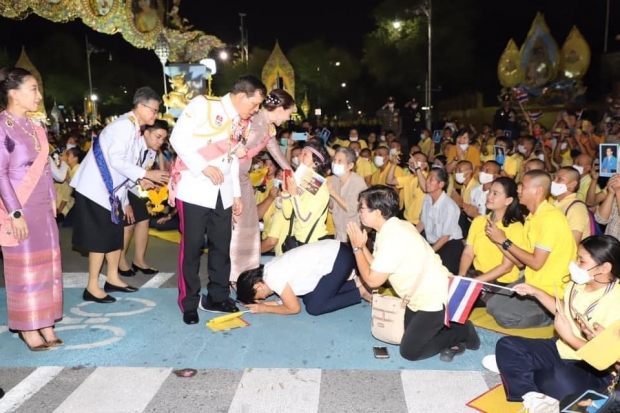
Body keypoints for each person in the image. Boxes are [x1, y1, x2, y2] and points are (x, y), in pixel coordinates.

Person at [169, 75, 265, 324]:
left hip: (223, 193)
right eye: (254, 104)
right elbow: (177, 138)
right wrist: (202, 166)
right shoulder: (205, 105)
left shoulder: (240, 122)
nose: (255, 110)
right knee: (191, 250)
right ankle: (189, 302)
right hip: (194, 190)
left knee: (221, 248)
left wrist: (235, 194)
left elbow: (231, 158)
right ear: (242, 96)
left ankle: (218, 296)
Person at [347, 186, 480, 362]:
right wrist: (363, 246)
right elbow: (377, 267)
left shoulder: (393, 236)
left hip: (434, 298)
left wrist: (357, 248)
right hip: (416, 297)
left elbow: (373, 281)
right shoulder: (391, 227)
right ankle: (446, 326)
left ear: (377, 212)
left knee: (410, 351)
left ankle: (459, 331)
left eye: (362, 208)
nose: (359, 212)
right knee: (405, 335)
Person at [483, 235, 620, 402]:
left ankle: (519, 372)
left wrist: (569, 336)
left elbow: (606, 357)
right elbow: (564, 308)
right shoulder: (578, 283)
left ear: (604, 268)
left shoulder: (616, 301)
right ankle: (531, 396)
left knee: (557, 381)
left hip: (594, 366)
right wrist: (537, 292)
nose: (575, 264)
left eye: (581, 261)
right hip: (561, 348)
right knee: (507, 345)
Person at [71, 87, 170, 304]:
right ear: (141, 107)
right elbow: (116, 161)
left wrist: (138, 182)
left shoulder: (133, 128)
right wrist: (145, 173)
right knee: (100, 239)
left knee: (114, 236)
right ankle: (92, 286)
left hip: (110, 192)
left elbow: (123, 169)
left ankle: (113, 278)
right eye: (153, 110)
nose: (155, 115)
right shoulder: (124, 127)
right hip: (95, 190)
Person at [0, 66, 63, 351]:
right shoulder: (2, 126)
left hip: (42, 207)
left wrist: (52, 198)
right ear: (13, 94)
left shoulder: (36, 127)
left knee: (47, 265)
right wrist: (15, 213)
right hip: (18, 208)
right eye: (33, 89)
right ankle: (28, 327)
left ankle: (46, 321)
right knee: (26, 268)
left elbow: (46, 170)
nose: (39, 95)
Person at [486, 170, 577, 328]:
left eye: (523, 186)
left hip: (551, 288)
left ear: (538, 190)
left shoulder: (549, 219)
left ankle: (551, 315)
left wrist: (505, 241)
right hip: (532, 279)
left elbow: (536, 263)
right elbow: (521, 263)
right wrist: (499, 241)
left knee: (504, 317)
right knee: (492, 306)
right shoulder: (532, 217)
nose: (518, 190)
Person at [228, 89, 293, 283]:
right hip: (233, 178)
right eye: (289, 113)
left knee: (249, 226)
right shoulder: (256, 123)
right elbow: (232, 153)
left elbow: (274, 150)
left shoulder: (266, 126)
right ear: (280, 110)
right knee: (239, 227)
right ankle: (235, 275)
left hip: (243, 178)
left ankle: (246, 272)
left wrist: (290, 171)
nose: (289, 118)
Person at [236, 240, 368, 315]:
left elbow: (293, 308)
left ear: (258, 286)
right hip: (338, 252)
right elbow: (286, 298)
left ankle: (360, 292)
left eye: (259, 296)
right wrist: (261, 304)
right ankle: (357, 283)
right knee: (309, 297)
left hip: (339, 259)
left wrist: (265, 308)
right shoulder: (269, 269)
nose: (264, 297)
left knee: (315, 307)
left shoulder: (273, 278)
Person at [118, 120, 169, 276]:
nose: (160, 142)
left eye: (163, 139)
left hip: (133, 187)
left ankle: (139, 260)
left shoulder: (152, 151)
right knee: (129, 223)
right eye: (157, 137)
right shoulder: (133, 146)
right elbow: (122, 173)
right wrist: (125, 202)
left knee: (144, 220)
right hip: (119, 186)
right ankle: (120, 260)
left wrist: (152, 185)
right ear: (146, 133)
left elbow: (140, 174)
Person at [327, 147, 367, 242]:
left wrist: (333, 193)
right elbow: (332, 206)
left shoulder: (358, 182)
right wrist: (326, 195)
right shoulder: (334, 179)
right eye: (334, 160)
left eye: (340, 161)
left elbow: (351, 209)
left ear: (350, 165)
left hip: (353, 234)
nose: (335, 163)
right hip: (339, 231)